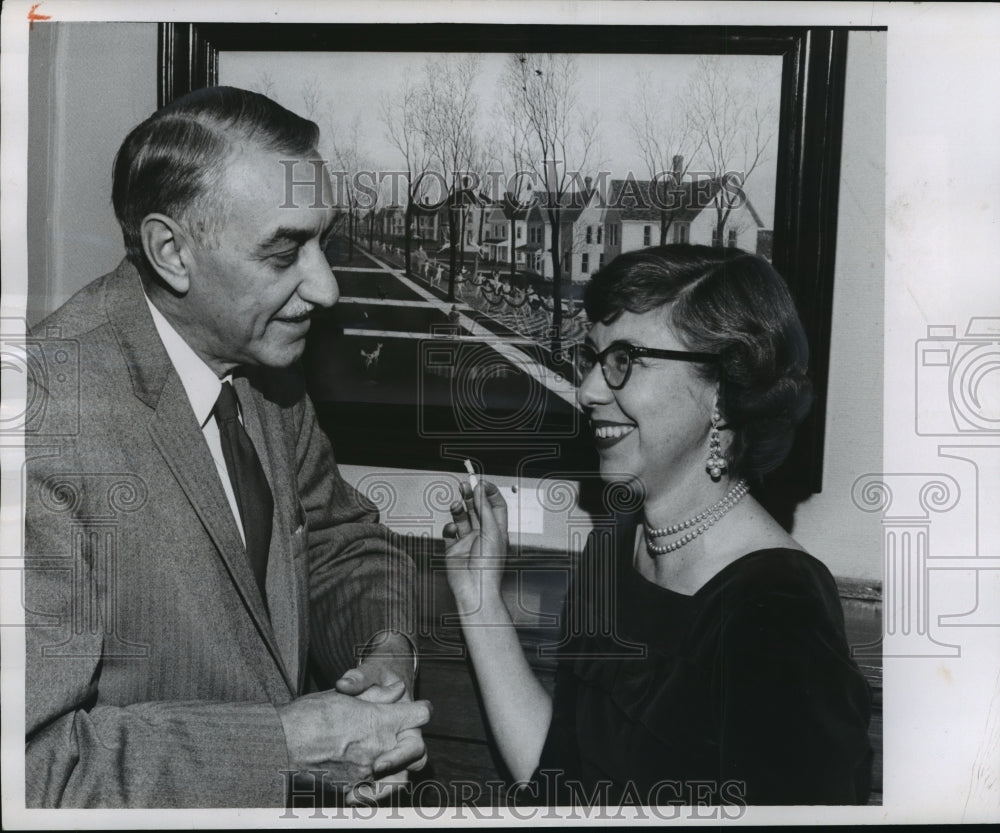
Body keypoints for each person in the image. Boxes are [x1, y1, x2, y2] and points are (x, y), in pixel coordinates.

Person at [24, 87, 430, 808]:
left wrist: (384, 649)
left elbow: (339, 541)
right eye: (284, 253)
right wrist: (287, 747)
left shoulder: (265, 366)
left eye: (323, 243)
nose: (327, 288)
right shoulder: (41, 421)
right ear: (171, 252)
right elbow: (32, 771)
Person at [443, 245, 873, 806]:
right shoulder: (615, 547)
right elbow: (562, 781)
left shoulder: (778, 613)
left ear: (721, 391)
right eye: (592, 358)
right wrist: (479, 597)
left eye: (625, 359)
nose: (589, 391)